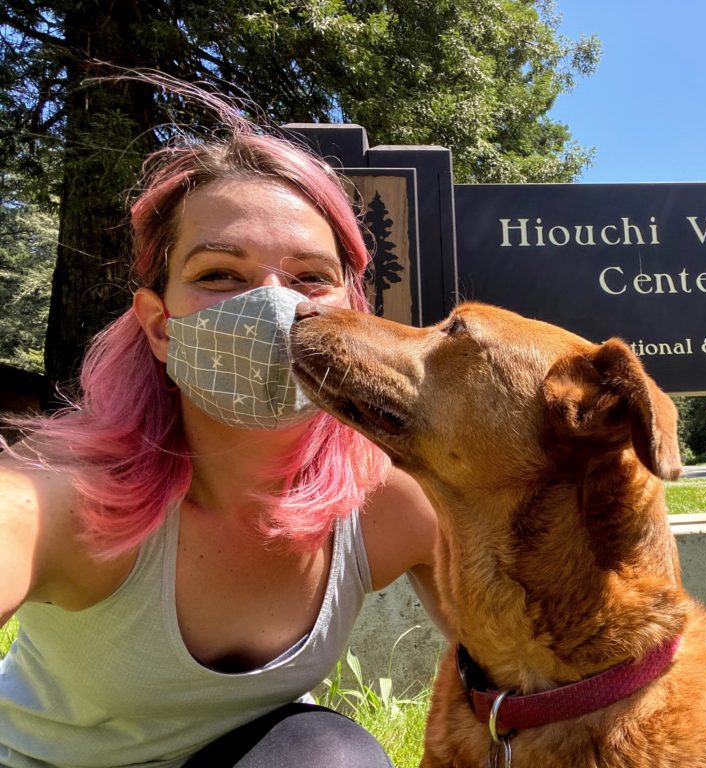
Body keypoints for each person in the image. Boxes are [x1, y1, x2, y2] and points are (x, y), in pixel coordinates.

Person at [0, 86, 447, 767]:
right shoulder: (61, 502)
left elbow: (543, 676)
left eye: (309, 277)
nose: (273, 305)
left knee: (329, 755)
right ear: (158, 324)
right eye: (219, 273)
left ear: (352, 314)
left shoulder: (390, 502)